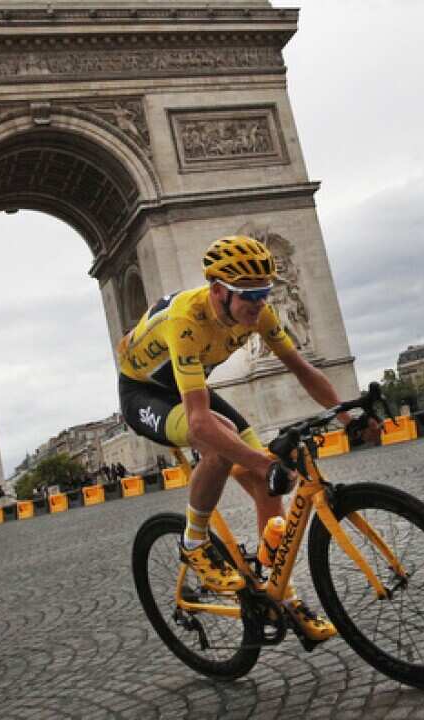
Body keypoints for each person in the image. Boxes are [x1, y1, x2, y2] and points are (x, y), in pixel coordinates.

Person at [116, 234, 380, 644]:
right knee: (220, 444)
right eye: (249, 296)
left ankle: (282, 598)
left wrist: (348, 414)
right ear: (219, 292)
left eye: (264, 294)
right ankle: (194, 542)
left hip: (189, 385)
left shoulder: (259, 314)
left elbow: (301, 367)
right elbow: (201, 425)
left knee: (262, 483)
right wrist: (266, 461)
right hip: (143, 392)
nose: (259, 305)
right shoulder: (186, 320)